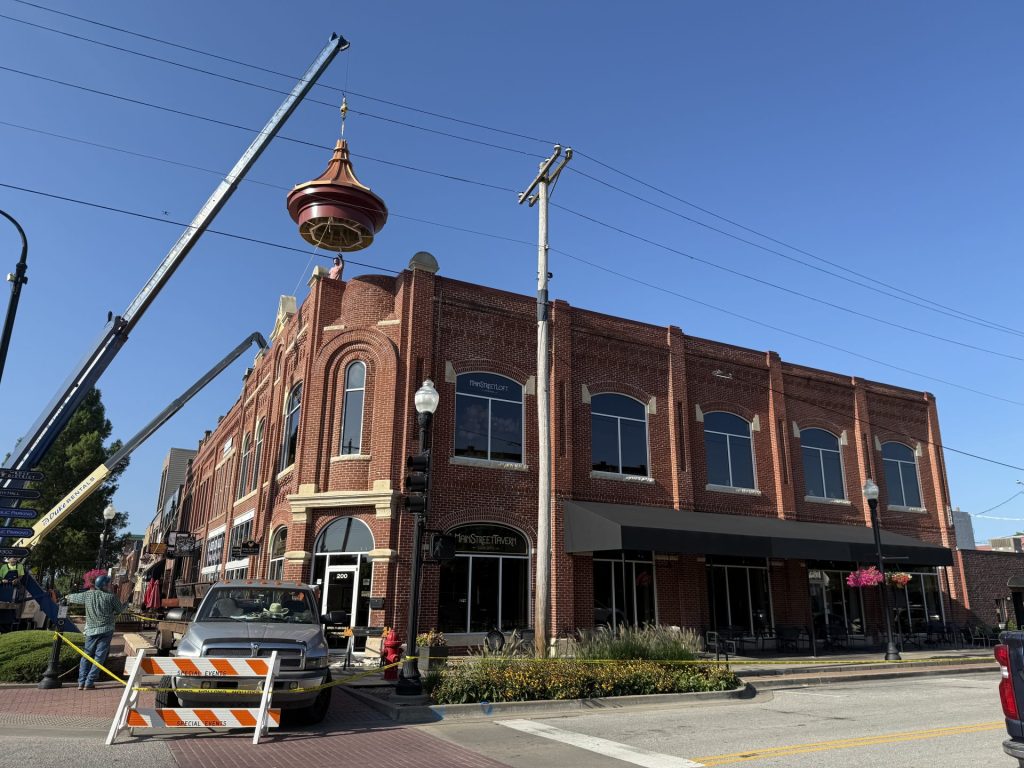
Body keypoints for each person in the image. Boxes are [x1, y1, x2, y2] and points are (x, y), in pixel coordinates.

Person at [65, 574, 125, 690]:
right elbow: (120, 610)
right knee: (99, 657)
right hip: (106, 630)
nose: (111, 585)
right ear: (105, 585)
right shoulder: (111, 597)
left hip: (91, 630)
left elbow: (72, 597)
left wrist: (66, 597)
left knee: (86, 656)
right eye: (109, 583)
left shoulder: (88, 595)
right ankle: (89, 681)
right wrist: (125, 604)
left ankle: (81, 682)